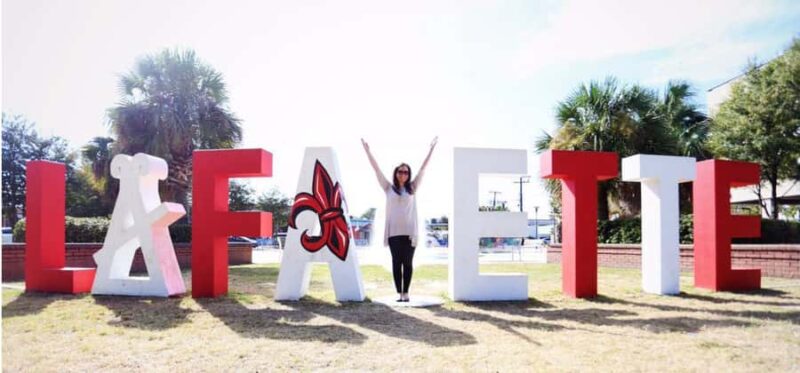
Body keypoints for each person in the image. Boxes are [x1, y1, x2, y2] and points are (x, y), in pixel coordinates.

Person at [361, 137, 438, 302]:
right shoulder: (388, 188)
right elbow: (376, 170)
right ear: (396, 173)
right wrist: (368, 152)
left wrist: (431, 150)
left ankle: (406, 293)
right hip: (394, 233)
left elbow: (423, 169)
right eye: (400, 171)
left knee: (408, 263)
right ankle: (399, 293)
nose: (403, 174)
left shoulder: (413, 187)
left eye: (406, 172)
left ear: (408, 175)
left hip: (410, 233)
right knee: (396, 263)